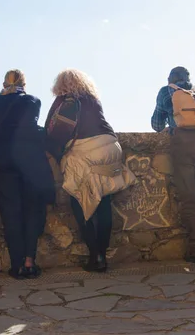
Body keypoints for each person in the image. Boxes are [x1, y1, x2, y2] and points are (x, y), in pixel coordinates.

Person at [45, 69, 135, 273]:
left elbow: (54, 131)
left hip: (86, 152)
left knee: (78, 198)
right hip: (111, 147)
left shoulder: (64, 101)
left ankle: (96, 255)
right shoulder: (93, 99)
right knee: (103, 201)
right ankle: (103, 253)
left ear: (60, 85)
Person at [151, 66, 195, 266]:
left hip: (184, 142)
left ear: (170, 79)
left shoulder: (167, 91)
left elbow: (156, 125)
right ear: (188, 78)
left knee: (189, 197)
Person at [0, 70, 55, 279]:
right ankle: (29, 262)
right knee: (32, 211)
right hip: (29, 162)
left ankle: (16, 265)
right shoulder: (33, 101)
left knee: (11, 214)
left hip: (3, 162)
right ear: (24, 83)